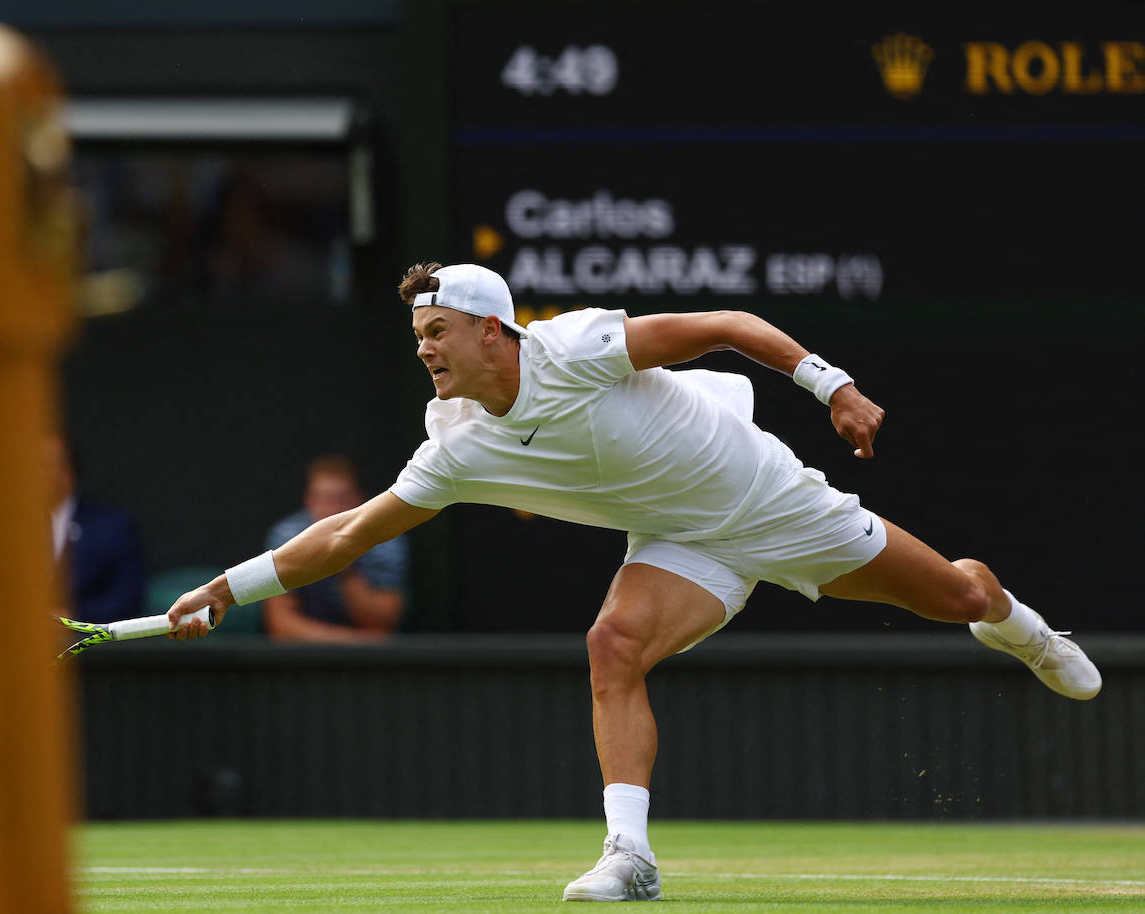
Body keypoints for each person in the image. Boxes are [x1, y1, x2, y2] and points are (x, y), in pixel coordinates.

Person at [166, 262, 1101, 902]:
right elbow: (346, 534)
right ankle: (630, 853)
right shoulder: (454, 442)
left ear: (495, 332)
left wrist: (833, 385)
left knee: (960, 599)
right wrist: (225, 588)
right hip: (680, 543)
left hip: (772, 500)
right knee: (612, 646)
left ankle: (1019, 624)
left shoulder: (574, 347)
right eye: (418, 335)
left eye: (439, 331)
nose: (425, 349)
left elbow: (727, 326)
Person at [261, 454, 409, 642]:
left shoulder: (386, 538)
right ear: (309, 500)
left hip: (369, 663)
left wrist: (345, 565)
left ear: (358, 500)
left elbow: (383, 622)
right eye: (324, 498)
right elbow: (280, 626)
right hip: (305, 656)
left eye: (341, 498)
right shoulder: (285, 537)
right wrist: (351, 643)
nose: (332, 508)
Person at [45, 435, 146, 624]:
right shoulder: (5, 529)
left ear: (68, 473)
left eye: (43, 465)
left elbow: (126, 600)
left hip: (87, 645)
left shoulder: (112, 527)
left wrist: (70, 619)